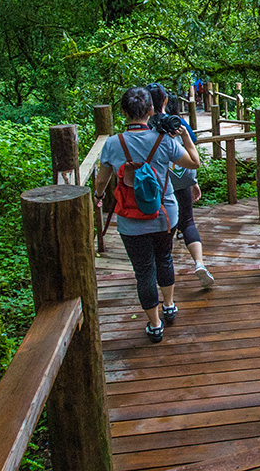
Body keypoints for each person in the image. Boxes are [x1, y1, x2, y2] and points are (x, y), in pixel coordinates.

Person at [94, 86, 201, 343]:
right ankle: (170, 305)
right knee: (164, 259)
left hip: (131, 221)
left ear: (123, 112)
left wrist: (98, 198)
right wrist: (185, 136)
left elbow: (102, 181)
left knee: (143, 271)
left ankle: (154, 325)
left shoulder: (112, 144)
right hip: (165, 216)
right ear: (151, 110)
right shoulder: (164, 140)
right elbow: (194, 163)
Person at [147, 84, 215, 288]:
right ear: (165, 101)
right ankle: (199, 263)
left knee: (160, 225)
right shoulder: (175, 123)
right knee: (187, 221)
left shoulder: (144, 127)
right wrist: (193, 181)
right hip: (181, 176)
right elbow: (191, 148)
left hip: (156, 181)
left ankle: (160, 271)